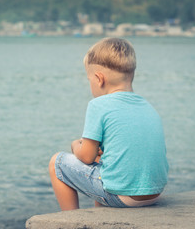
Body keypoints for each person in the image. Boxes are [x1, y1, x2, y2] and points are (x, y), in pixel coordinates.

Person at [48, 37, 169, 210]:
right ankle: (101, 216)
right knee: (102, 159)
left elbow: (86, 156)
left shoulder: (98, 105)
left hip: (122, 196)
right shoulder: (147, 106)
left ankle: (70, 220)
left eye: (89, 80)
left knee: (57, 163)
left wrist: (75, 145)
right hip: (154, 193)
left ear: (99, 79)